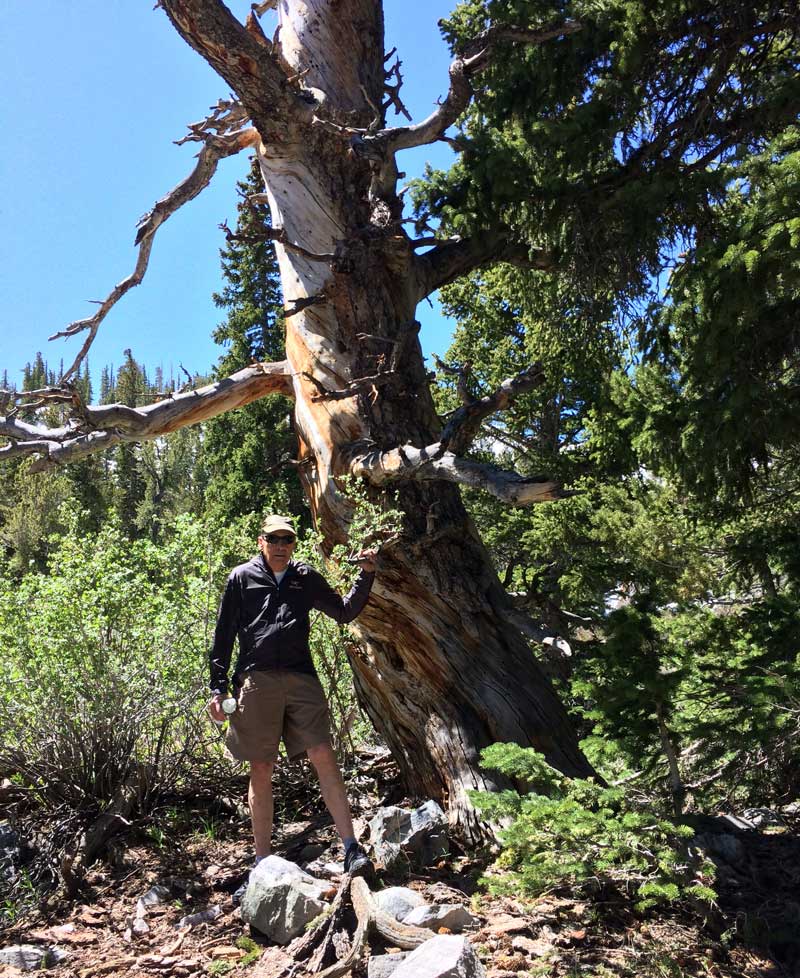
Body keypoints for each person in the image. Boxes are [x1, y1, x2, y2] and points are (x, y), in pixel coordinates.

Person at [208, 514, 376, 876]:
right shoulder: (241, 577)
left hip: (301, 678)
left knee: (323, 754)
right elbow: (222, 636)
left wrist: (365, 574)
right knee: (261, 766)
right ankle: (263, 863)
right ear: (261, 541)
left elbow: (344, 612)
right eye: (274, 539)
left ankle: (351, 848)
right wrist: (217, 687)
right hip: (256, 680)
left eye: (287, 540)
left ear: (293, 544)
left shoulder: (304, 577)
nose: (281, 546)